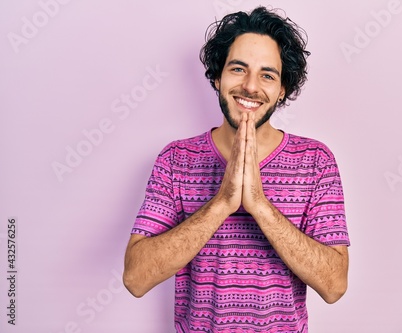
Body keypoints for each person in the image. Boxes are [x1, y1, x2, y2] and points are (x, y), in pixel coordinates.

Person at [123, 6, 350, 332]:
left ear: (282, 89)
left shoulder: (316, 161)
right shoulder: (175, 159)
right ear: (217, 76)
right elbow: (136, 278)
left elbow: (334, 285)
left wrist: (259, 205)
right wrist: (221, 203)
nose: (251, 86)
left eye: (267, 75)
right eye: (238, 69)